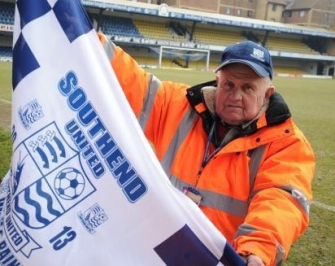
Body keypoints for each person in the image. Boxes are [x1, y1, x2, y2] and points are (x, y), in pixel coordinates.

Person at [97, 33, 315, 265]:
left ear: (267, 95)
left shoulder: (286, 144)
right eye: (229, 84)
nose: (235, 96)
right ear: (217, 81)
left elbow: (280, 201)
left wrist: (257, 250)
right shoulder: (180, 107)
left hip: (219, 258)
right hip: (158, 249)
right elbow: (132, 83)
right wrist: (87, 38)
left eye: (248, 88)